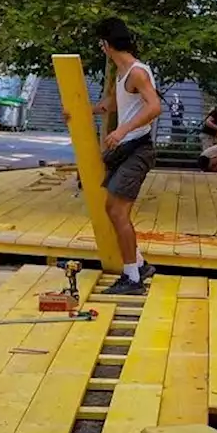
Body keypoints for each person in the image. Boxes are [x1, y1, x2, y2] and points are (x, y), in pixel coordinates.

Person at [92, 18, 161, 295]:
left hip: (138, 148)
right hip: (126, 149)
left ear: (107, 44)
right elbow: (112, 104)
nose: (101, 48)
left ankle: (132, 278)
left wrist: (122, 130)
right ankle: (140, 265)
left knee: (119, 211)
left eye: (101, 44)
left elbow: (154, 107)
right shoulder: (121, 74)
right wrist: (84, 110)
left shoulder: (136, 73)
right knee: (112, 209)